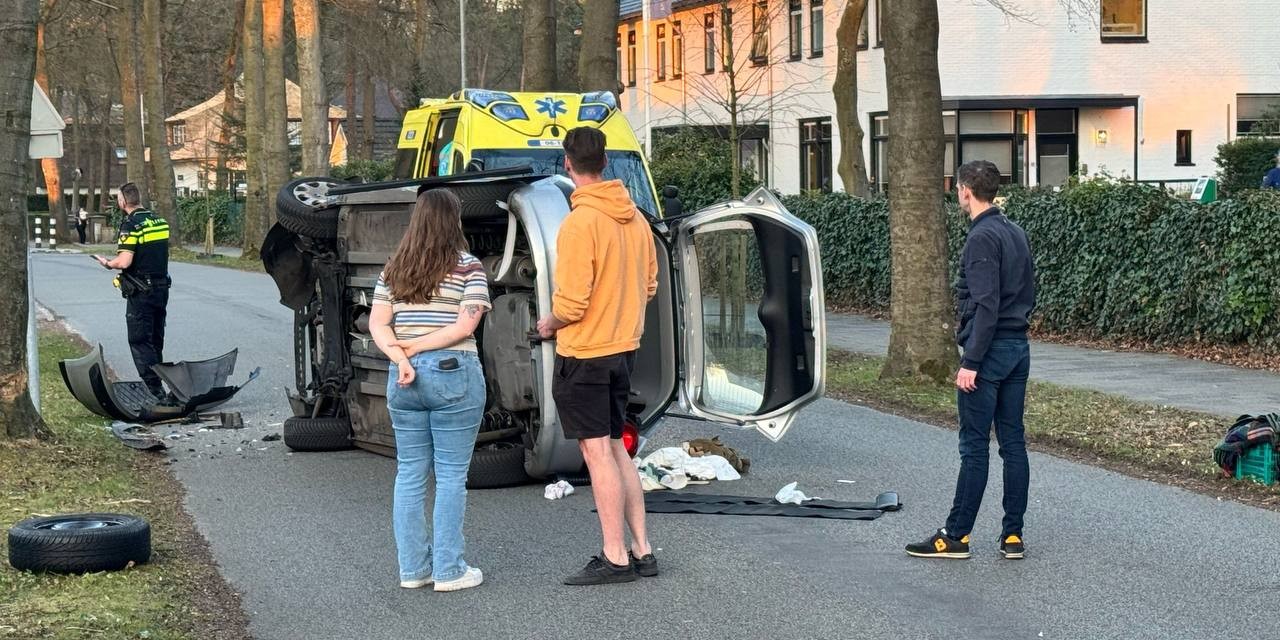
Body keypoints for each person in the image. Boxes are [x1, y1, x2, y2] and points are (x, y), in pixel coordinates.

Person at [537, 127, 659, 586]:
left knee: (596, 454)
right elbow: (649, 286)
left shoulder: (579, 224)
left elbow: (571, 304)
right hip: (623, 351)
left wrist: (548, 324)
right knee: (615, 448)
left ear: (568, 164)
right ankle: (642, 549)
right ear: (605, 163)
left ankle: (614, 557)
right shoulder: (637, 220)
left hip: (586, 354)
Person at [906, 160, 1036, 561]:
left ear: (964, 190)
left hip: (990, 351)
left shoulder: (981, 238)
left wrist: (971, 361)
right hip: (1018, 348)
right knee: (1013, 442)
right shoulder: (1016, 233)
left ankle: (956, 536)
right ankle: (1012, 535)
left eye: (958, 189)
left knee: (974, 446)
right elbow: (1024, 294)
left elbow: (985, 304)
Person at [368, 188, 490, 593]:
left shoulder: (394, 269)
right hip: (453, 372)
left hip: (402, 378)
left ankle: (413, 570)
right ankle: (449, 570)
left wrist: (402, 358)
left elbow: (378, 325)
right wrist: (418, 349)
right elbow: (465, 326)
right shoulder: (469, 266)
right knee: (452, 476)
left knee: (410, 473)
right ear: (454, 221)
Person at [95, 183, 171, 399]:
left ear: (122, 201)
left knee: (139, 339)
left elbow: (125, 261)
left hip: (141, 291)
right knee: (156, 338)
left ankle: (154, 391)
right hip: (162, 287)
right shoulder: (159, 221)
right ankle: (162, 383)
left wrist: (108, 263)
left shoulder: (132, 224)